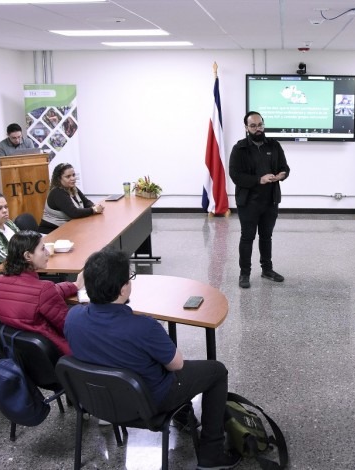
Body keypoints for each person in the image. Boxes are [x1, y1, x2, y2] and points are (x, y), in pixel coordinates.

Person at [64, 249, 240, 470]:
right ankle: (211, 454)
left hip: (97, 400)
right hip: (149, 402)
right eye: (130, 278)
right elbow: (177, 365)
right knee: (216, 371)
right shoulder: (144, 327)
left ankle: (184, 417)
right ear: (122, 289)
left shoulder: (72, 317)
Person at [0, 230, 83, 356]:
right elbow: (68, 327)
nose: (47, 253)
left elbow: (39, 295)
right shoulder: (43, 289)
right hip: (52, 352)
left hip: (19, 352)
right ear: (27, 256)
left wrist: (74, 286)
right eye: (42, 249)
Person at [229, 111, 290, 289]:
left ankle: (267, 270)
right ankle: (244, 273)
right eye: (253, 126)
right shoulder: (239, 148)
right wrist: (259, 180)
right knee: (247, 237)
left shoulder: (274, 145)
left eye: (260, 125)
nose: (258, 129)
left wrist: (282, 175)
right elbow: (235, 175)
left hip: (270, 200)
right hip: (248, 202)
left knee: (266, 237)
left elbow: (284, 167)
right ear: (246, 128)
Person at [39, 162, 104, 234]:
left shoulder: (72, 188)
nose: (72, 178)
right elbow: (74, 213)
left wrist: (94, 206)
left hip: (66, 229)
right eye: (68, 176)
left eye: (73, 175)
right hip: (51, 232)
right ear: (59, 179)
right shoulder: (57, 192)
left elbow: (86, 202)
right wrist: (94, 210)